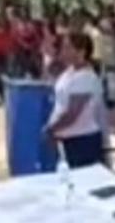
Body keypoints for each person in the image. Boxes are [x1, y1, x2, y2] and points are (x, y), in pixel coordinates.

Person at [44, 32, 107, 167]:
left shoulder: (85, 77)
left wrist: (51, 128)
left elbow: (73, 113)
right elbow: (51, 70)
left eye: (68, 47)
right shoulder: (70, 72)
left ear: (81, 52)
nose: (64, 51)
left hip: (82, 140)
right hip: (67, 138)